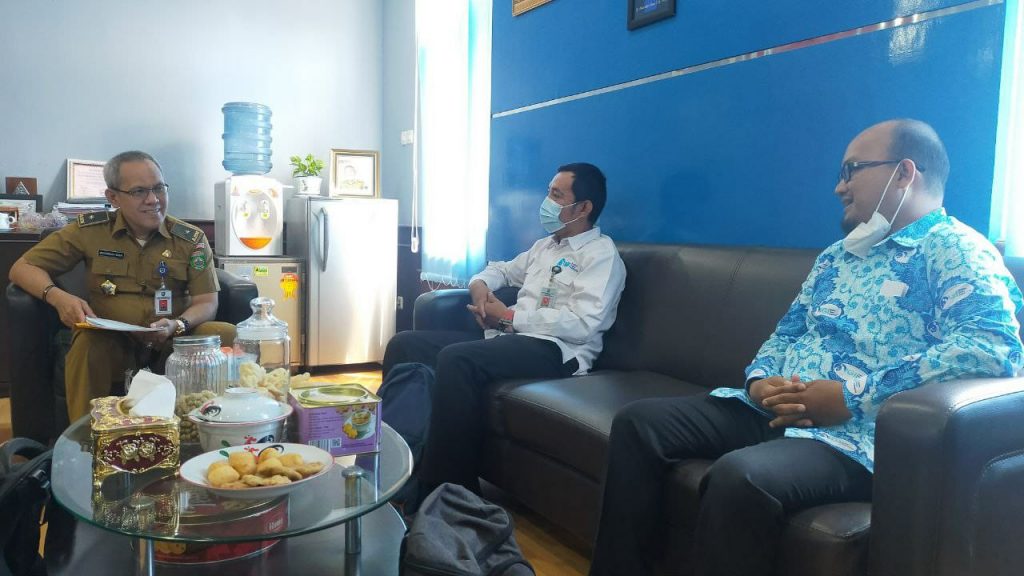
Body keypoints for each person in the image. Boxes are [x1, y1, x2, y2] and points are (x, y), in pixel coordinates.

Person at [588, 119, 1024, 576]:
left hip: (855, 436)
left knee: (741, 477)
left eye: (852, 170)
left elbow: (992, 348)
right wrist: (760, 382)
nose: (839, 186)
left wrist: (849, 396)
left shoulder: (956, 249)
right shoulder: (839, 255)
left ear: (904, 173)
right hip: (774, 409)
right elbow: (787, 332)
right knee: (639, 424)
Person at [382, 162, 627, 495]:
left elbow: (583, 324)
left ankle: (448, 489)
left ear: (583, 208)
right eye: (549, 192)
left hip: (557, 350)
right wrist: (479, 286)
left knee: (457, 359)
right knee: (405, 344)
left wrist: (509, 318)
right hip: (512, 339)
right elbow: (501, 270)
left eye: (557, 195)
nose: (547, 202)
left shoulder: (601, 256)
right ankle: (391, 464)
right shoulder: (545, 247)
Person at [10, 150, 231, 422]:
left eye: (159, 188)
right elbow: (22, 267)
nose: (153, 199)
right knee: (87, 344)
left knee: (225, 334)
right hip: (113, 343)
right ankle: (87, 438)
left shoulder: (190, 239)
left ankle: (218, 429)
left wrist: (178, 324)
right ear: (113, 197)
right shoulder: (90, 232)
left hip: (175, 343)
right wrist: (58, 297)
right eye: (139, 191)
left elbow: (207, 301)